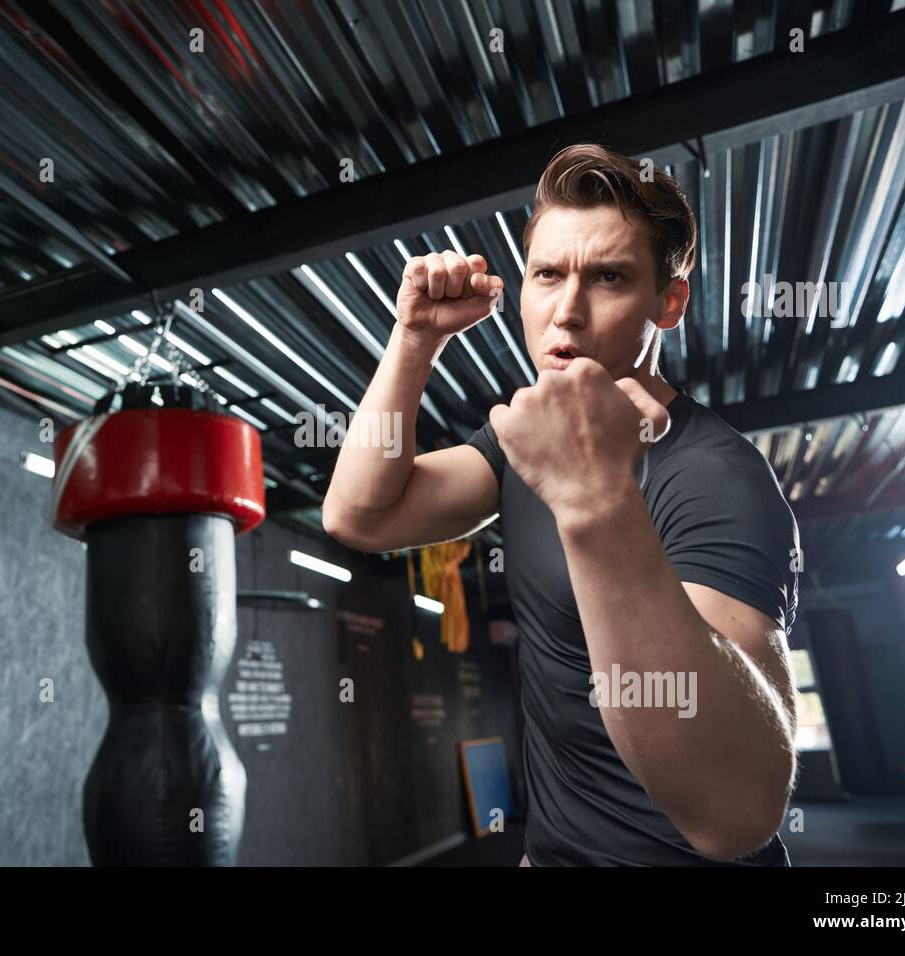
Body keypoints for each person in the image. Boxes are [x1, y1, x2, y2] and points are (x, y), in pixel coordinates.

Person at [322, 144, 800, 866]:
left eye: (609, 278)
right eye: (548, 275)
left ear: (669, 302)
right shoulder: (527, 442)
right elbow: (360, 514)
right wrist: (414, 339)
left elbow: (736, 814)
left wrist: (594, 499)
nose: (566, 314)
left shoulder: (714, 476)